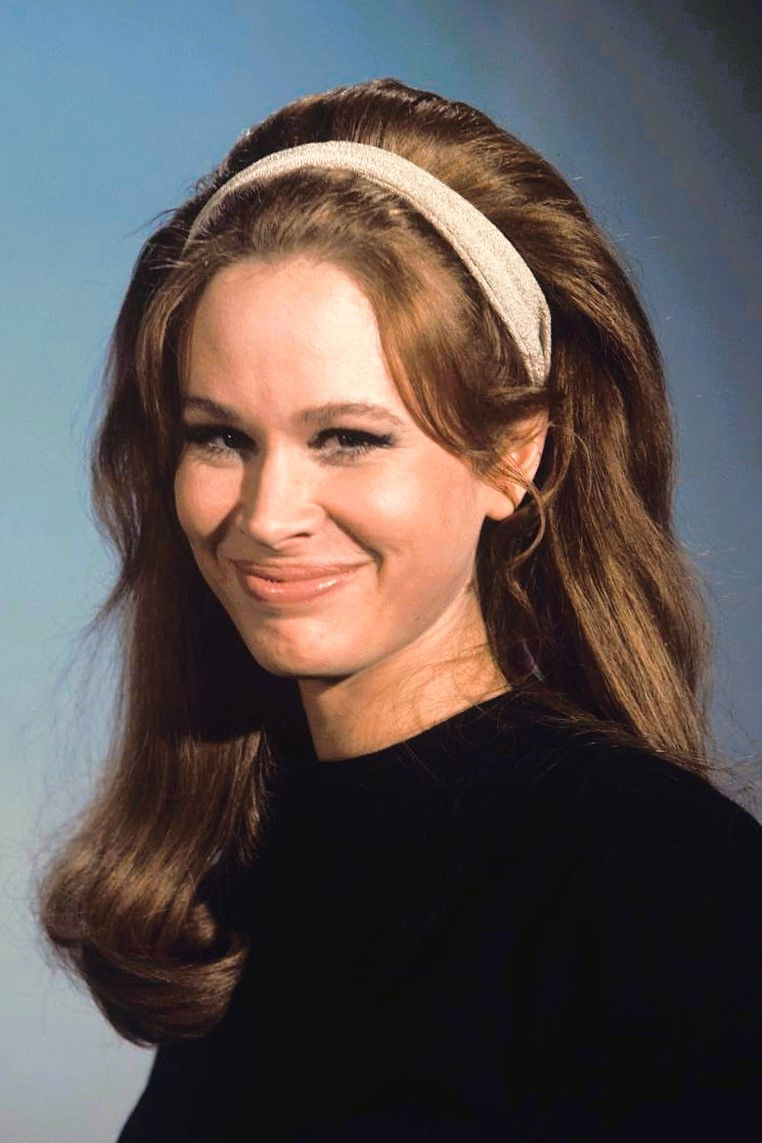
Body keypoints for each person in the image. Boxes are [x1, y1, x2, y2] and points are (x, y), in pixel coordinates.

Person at [36, 78, 761, 1141]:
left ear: (513, 454)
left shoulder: (660, 881)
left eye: (348, 438)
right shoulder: (253, 866)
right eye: (221, 437)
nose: (267, 515)